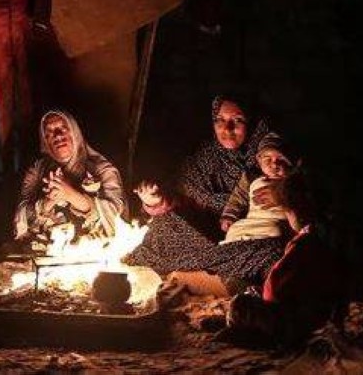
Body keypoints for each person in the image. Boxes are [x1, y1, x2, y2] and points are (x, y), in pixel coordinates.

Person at [123, 96, 288, 295]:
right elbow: (180, 197)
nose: (227, 129)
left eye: (237, 120)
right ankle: (221, 276)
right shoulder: (207, 156)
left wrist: (284, 196)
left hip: (252, 237)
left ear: (251, 122)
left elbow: (306, 201)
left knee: (275, 252)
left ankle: (203, 277)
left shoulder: (272, 156)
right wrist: (155, 200)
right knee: (164, 226)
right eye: (220, 120)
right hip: (211, 238)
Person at [221, 171, 349, 349]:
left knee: (240, 303)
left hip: (291, 318)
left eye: (286, 213)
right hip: (307, 307)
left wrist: (263, 297)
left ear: (295, 213)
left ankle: (251, 333)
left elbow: (278, 288)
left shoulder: (303, 244)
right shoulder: (325, 237)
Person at [12, 110, 126, 248]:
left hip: (94, 251)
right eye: (50, 132)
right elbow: (20, 222)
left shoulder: (103, 170)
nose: (58, 135)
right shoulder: (37, 171)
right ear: (45, 141)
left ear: (75, 133)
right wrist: (49, 202)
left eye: (63, 128)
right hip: (47, 251)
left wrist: (70, 194)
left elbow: (118, 219)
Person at [221, 139, 292, 243]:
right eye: (268, 159)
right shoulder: (251, 177)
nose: (274, 165)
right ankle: (234, 244)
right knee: (234, 229)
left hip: (274, 221)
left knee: (275, 230)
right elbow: (239, 196)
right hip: (252, 219)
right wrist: (230, 215)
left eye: (281, 159)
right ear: (259, 161)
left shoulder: (292, 181)